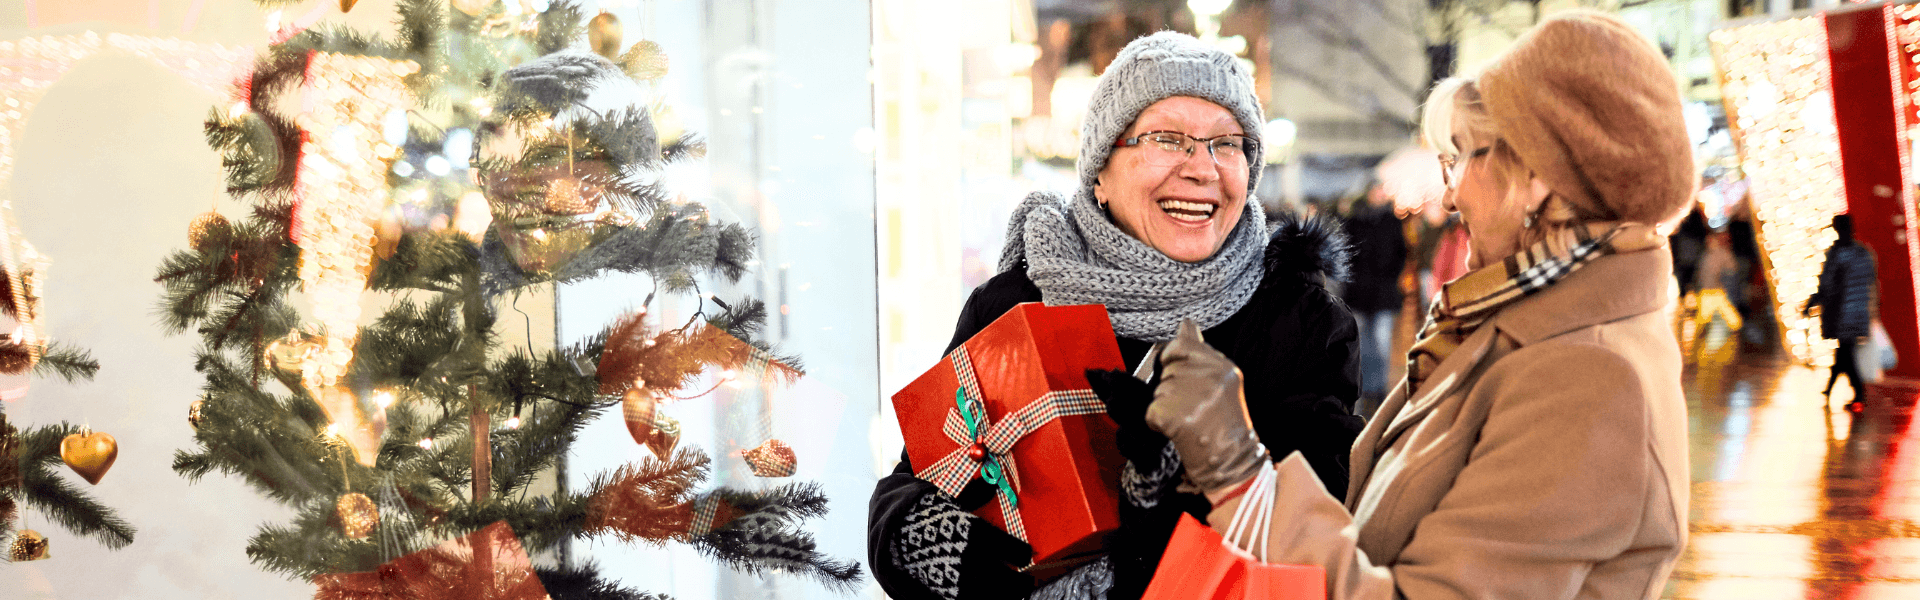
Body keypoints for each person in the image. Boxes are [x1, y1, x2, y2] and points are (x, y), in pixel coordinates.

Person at [1134, 12, 1694, 598]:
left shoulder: (1586, 379)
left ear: (1536, 176)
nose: (1449, 195)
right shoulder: (1507, 328)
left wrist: (1235, 467)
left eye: (1462, 156)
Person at [866, 31, 1365, 600]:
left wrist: (1156, 502)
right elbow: (912, 484)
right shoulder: (1019, 300)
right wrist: (957, 556)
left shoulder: (1300, 324)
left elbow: (1309, 543)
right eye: (1168, 139)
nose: (1203, 169)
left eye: (1227, 144)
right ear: (1100, 171)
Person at [1341, 182, 1409, 415]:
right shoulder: (1356, 221)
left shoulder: (1392, 222)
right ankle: (1364, 386)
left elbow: (1401, 253)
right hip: (1359, 293)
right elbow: (1347, 253)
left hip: (1383, 294)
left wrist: (1391, 276)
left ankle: (1378, 388)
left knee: (1381, 342)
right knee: (1362, 343)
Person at [1804, 214, 1877, 411]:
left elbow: (1827, 284)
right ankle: (1831, 389)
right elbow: (1871, 280)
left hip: (1841, 313)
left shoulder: (1837, 254)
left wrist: (1812, 302)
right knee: (1844, 352)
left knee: (1846, 354)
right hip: (1859, 311)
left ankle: (1858, 394)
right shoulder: (1863, 253)